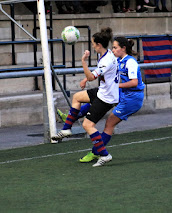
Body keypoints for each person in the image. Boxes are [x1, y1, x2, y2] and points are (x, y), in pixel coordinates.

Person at [58, 37, 145, 165]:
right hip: (122, 93)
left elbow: (134, 82)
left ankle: (96, 151)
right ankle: (72, 118)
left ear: (123, 48)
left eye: (115, 47)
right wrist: (86, 79)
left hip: (132, 98)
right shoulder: (117, 59)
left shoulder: (130, 62)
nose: (113, 50)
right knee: (97, 99)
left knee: (109, 123)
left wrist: (115, 86)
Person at [51, 27, 119, 167]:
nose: (92, 46)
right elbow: (97, 76)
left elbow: (91, 76)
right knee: (77, 97)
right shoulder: (106, 54)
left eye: (93, 43)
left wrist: (83, 61)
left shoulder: (106, 60)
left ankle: (105, 155)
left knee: (87, 125)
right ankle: (66, 129)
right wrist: (85, 80)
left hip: (106, 98)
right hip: (103, 91)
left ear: (99, 45)